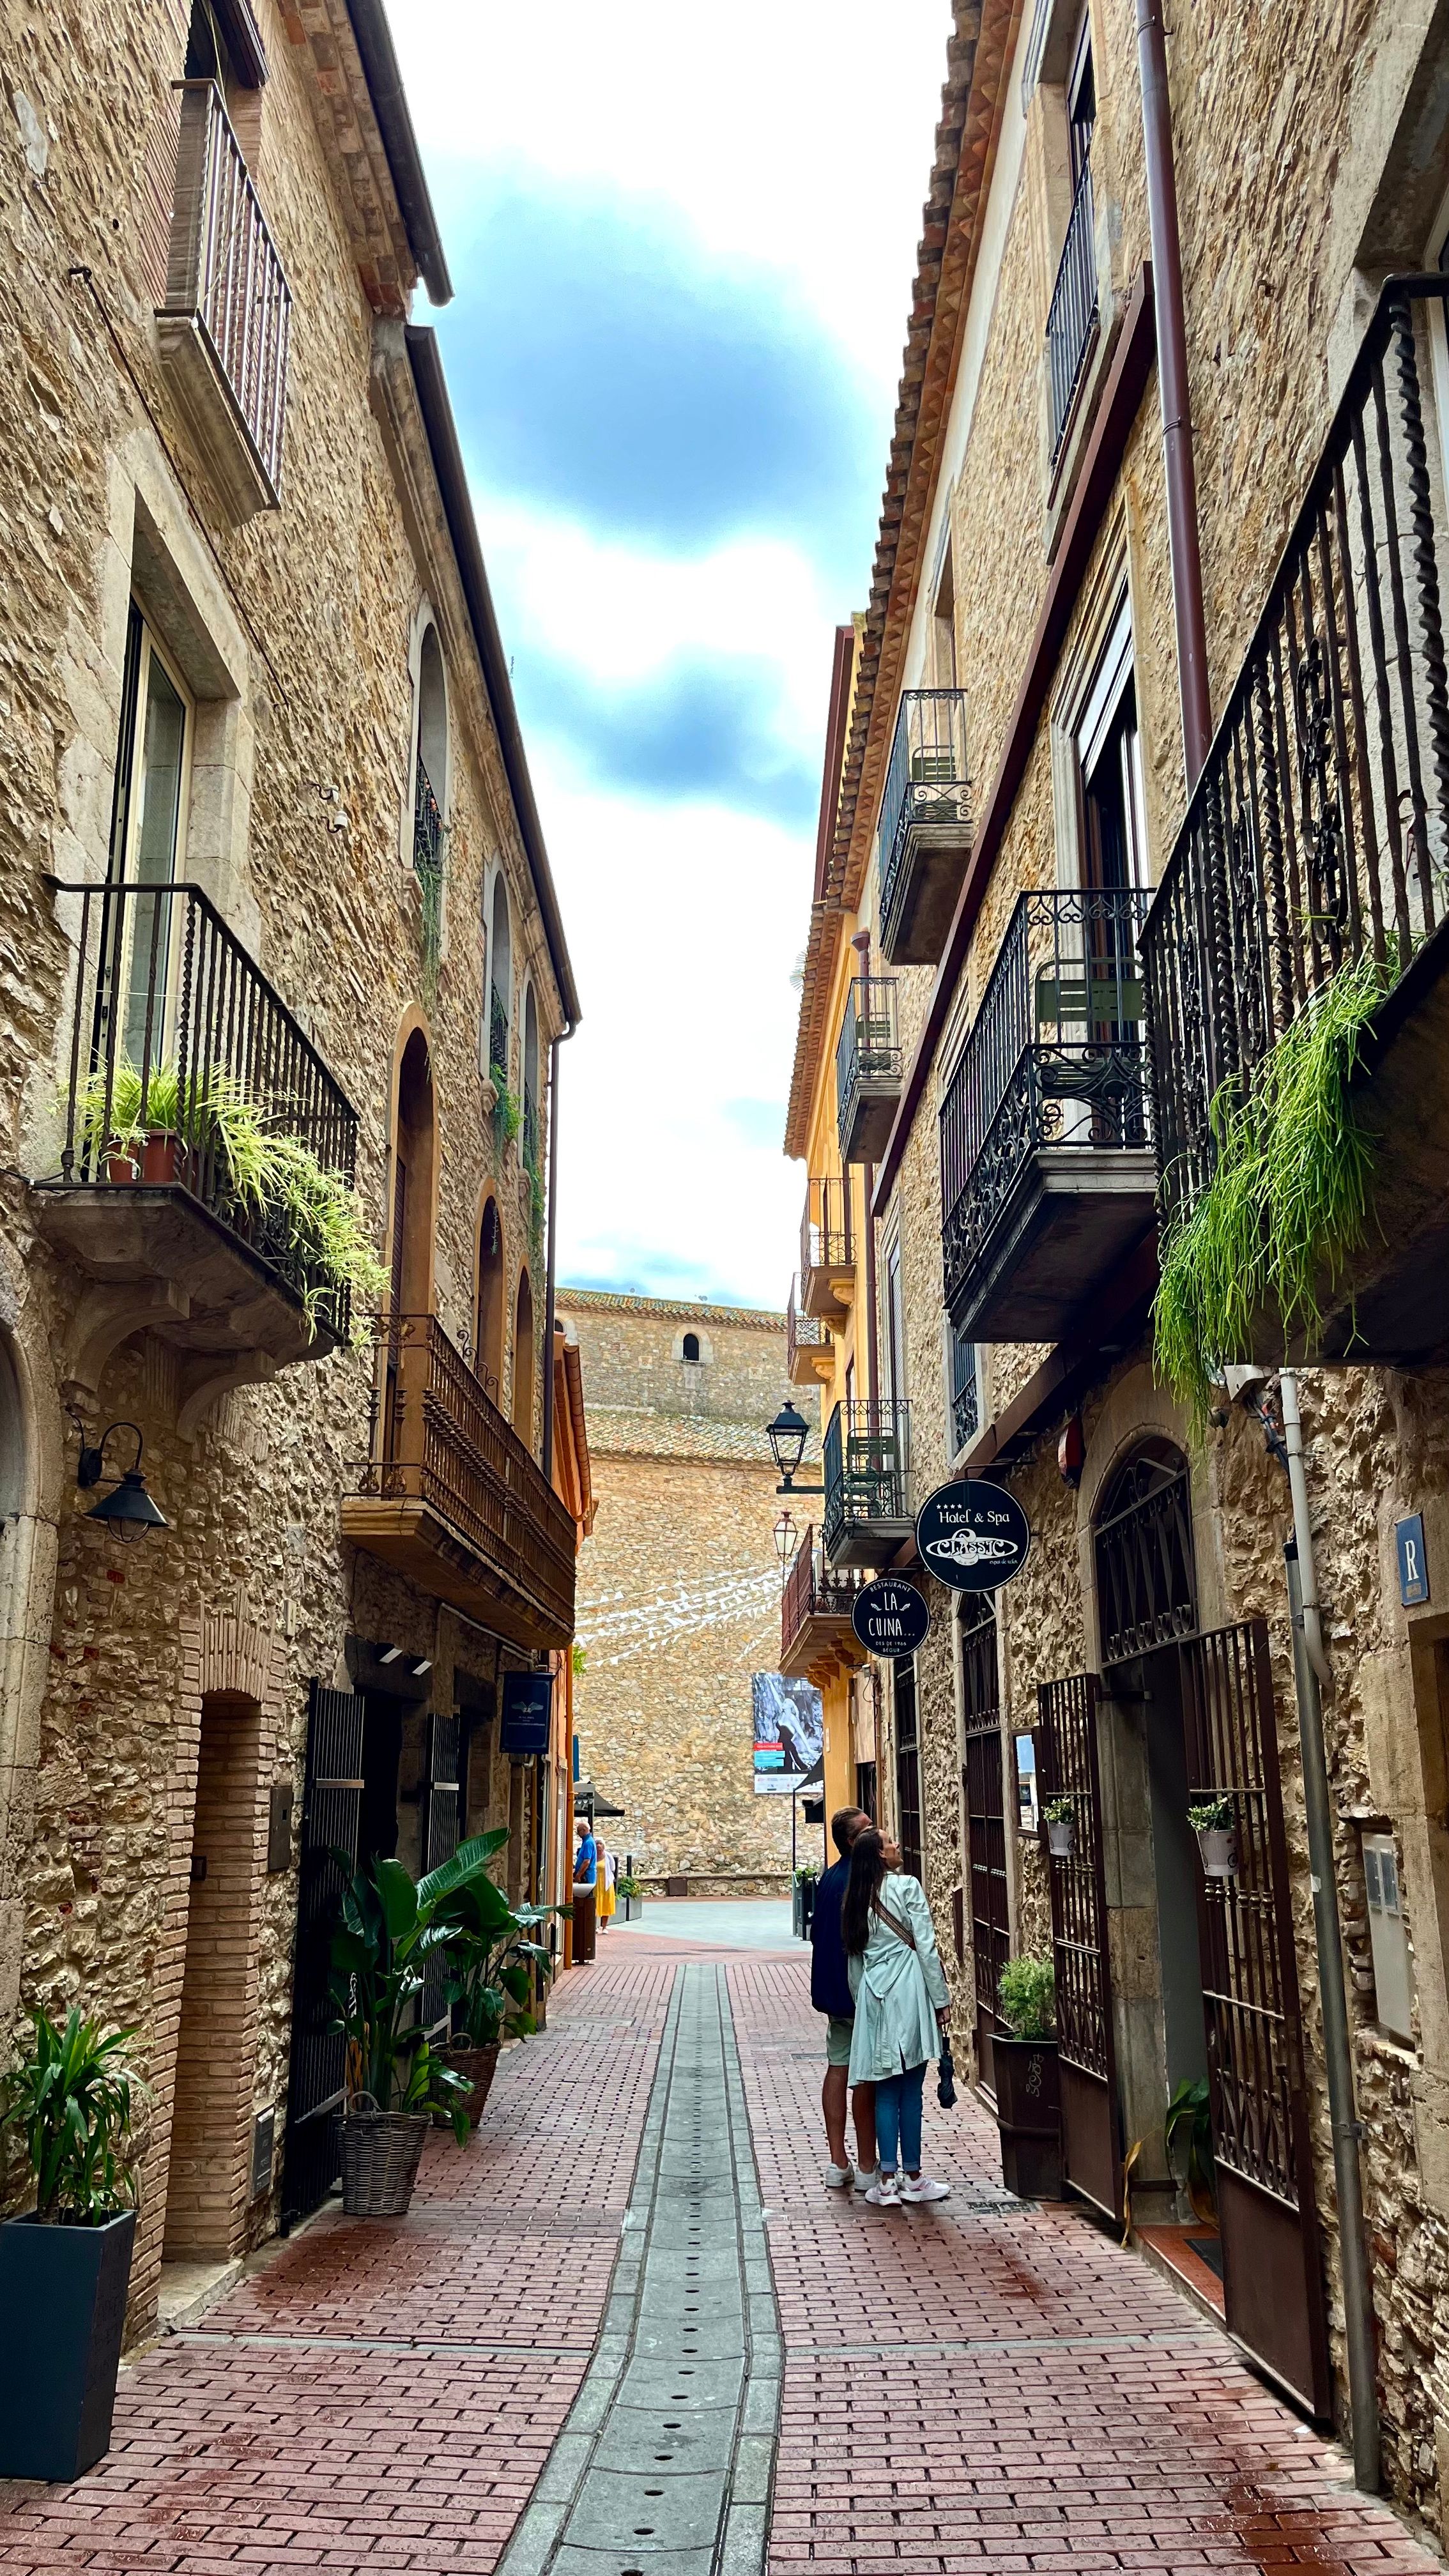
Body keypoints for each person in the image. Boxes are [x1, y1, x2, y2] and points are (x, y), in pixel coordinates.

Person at [842, 1826, 952, 2208]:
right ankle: (915, 2176)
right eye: (890, 1842)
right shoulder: (907, 1887)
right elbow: (925, 1945)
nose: (897, 1845)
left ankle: (886, 2180)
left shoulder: (856, 1897)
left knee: (885, 2091)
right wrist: (941, 1998)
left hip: (875, 1995)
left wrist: (864, 2006)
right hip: (908, 1991)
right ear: (879, 1855)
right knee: (911, 2090)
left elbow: (854, 1962)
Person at [809, 1806, 877, 2190]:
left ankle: (838, 2162)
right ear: (853, 1841)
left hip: (833, 1990)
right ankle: (867, 2167)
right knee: (866, 2075)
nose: (875, 1832)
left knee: (838, 2067)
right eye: (868, 1830)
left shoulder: (829, 1877)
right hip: (861, 1993)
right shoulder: (864, 1879)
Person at [572, 1814, 598, 1964]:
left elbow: (586, 1861)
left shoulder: (588, 1843)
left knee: (583, 1909)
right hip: (587, 1877)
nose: (577, 1834)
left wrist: (578, 1875)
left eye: (578, 1832)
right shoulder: (589, 1841)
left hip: (586, 1879)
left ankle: (583, 1950)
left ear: (583, 1831)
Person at [597, 1834, 616, 1931]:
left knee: (606, 1904)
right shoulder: (593, 1856)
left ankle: (604, 1927)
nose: (599, 1846)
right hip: (596, 1884)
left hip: (606, 1883)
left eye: (600, 1844)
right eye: (597, 1844)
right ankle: (596, 1926)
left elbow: (613, 1868)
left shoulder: (608, 1856)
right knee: (596, 1904)